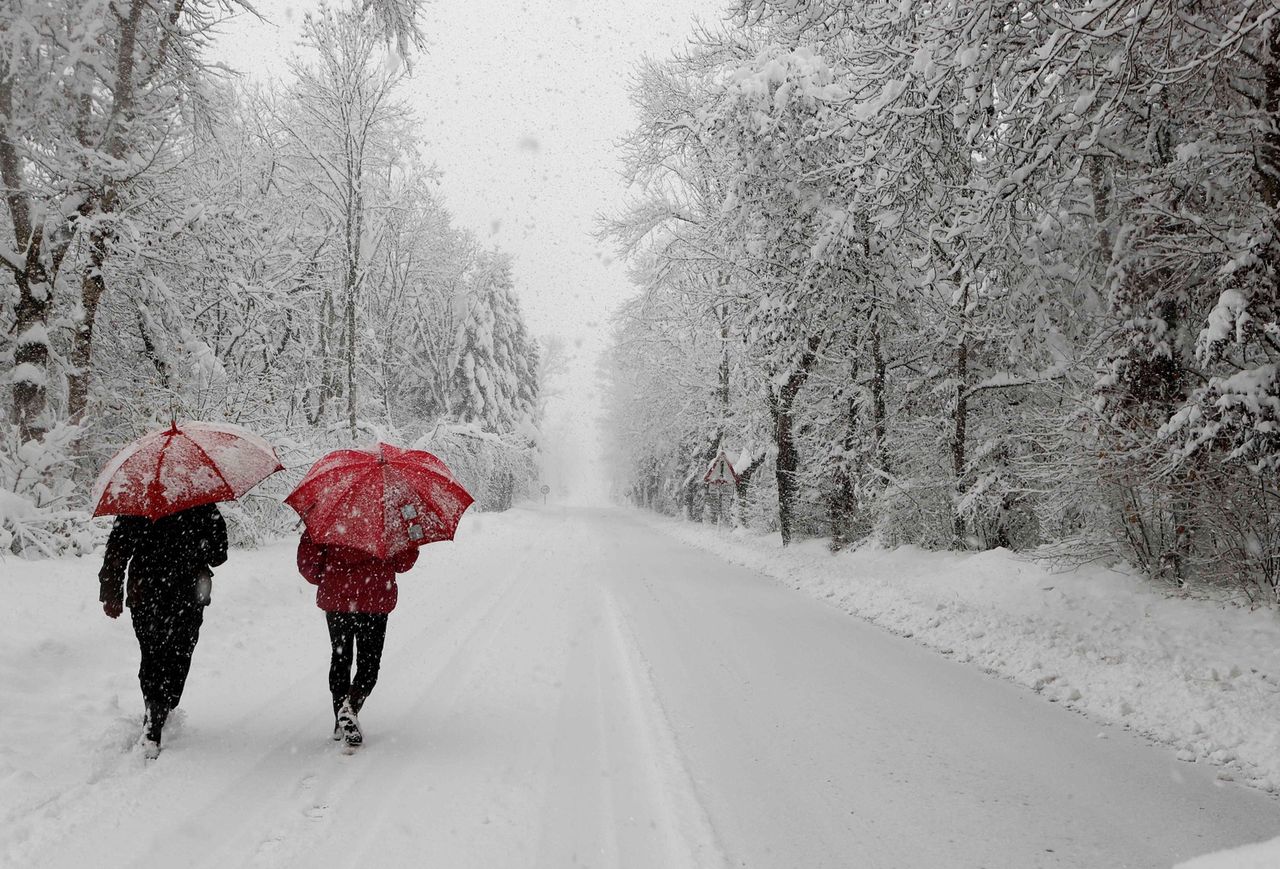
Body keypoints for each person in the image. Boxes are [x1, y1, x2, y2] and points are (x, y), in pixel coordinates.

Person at [98, 503, 227, 759]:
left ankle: (154, 709)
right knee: (179, 653)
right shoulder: (200, 502)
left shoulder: (139, 502)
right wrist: (199, 545)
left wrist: (111, 592)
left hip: (145, 591)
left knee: (153, 653)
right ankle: (162, 707)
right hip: (187, 592)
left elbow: (117, 550)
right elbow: (219, 554)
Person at [296, 531, 418, 746]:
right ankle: (351, 707)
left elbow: (308, 563)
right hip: (375, 600)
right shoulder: (387, 520)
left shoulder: (328, 516)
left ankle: (339, 718)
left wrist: (329, 578)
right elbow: (403, 563)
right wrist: (411, 540)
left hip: (337, 601)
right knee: (369, 663)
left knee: (340, 658)